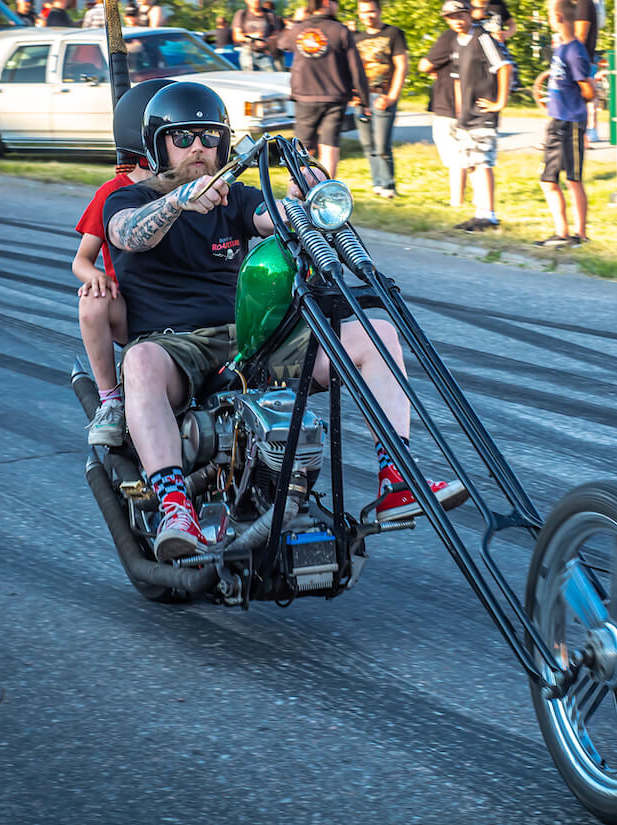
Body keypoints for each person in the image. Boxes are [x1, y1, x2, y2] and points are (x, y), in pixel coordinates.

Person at [102, 81, 466, 562]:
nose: (198, 148)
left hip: (247, 340)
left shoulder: (233, 197)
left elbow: (275, 217)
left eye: (209, 137)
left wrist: (304, 198)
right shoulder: (128, 200)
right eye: (184, 136)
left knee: (375, 331)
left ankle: (395, 477)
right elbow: (128, 235)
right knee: (142, 361)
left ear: (224, 144)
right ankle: (175, 507)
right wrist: (177, 201)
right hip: (174, 347)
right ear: (157, 143)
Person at [74, 78, 173, 447]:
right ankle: (110, 400)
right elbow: (81, 261)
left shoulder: (192, 184)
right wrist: (95, 275)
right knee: (91, 300)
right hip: (130, 309)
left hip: (186, 303)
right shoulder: (112, 193)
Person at [278, 0, 369, 178]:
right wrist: (364, 100)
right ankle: (327, 190)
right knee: (330, 145)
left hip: (305, 96)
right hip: (334, 97)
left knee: (301, 146)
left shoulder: (299, 29)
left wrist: (297, 21)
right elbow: (356, 68)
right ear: (327, 3)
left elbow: (282, 43)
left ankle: (299, 190)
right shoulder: (341, 30)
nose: (337, 6)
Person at [447, 0, 513, 232]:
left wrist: (499, 102)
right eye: (451, 17)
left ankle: (489, 215)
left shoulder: (483, 38)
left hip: (483, 113)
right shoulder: (457, 42)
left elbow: (504, 67)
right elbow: (457, 80)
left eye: (461, 15)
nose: (457, 20)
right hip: (465, 115)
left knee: (482, 162)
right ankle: (480, 212)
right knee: (471, 163)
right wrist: (458, 113)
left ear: (469, 15)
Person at [535, 0, 592, 248]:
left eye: (549, 16)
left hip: (572, 124)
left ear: (558, 17)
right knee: (548, 180)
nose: (549, 20)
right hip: (556, 122)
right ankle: (562, 233)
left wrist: (588, 91)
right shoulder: (561, 48)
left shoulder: (575, 51)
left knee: (573, 179)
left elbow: (588, 90)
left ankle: (579, 234)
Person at [353, 0, 408, 198]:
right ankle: (377, 184)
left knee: (382, 144)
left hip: (383, 94)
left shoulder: (393, 33)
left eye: (371, 11)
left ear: (379, 11)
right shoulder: (355, 37)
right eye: (364, 12)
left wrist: (392, 96)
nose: (368, 15)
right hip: (361, 97)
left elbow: (401, 66)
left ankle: (389, 186)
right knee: (368, 145)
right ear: (359, 14)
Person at [419, 10, 466, 209]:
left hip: (447, 102)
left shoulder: (449, 36)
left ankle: (457, 200)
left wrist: (430, 67)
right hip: (465, 102)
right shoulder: (475, 37)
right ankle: (461, 198)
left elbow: (425, 64)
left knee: (454, 154)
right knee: (462, 153)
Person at [573, 0, 600, 144]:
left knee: (585, 96)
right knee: (586, 97)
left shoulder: (584, 4)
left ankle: (586, 134)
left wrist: (568, 55)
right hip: (583, 58)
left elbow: (581, 35)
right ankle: (586, 134)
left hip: (581, 59)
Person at [232, 0, 280, 70]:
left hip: (264, 53)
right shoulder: (241, 14)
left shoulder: (270, 14)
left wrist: (266, 41)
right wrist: (253, 37)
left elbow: (276, 35)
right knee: (249, 78)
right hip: (248, 52)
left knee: (270, 76)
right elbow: (237, 36)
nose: (255, 1)